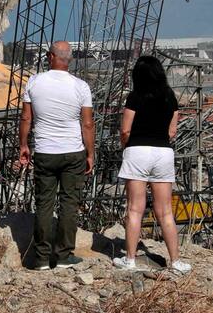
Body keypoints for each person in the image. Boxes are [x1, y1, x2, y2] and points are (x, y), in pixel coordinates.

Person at [18, 40, 94, 271]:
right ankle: (63, 255)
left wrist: (23, 145)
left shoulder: (34, 81)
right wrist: (90, 153)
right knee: (69, 204)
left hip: (45, 152)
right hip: (73, 152)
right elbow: (87, 124)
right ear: (69, 59)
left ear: (51, 57)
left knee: (44, 204)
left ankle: (41, 258)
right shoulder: (81, 86)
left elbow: (26, 118)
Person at [112, 56, 190, 274]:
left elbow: (125, 130)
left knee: (135, 209)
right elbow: (172, 131)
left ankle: (130, 259)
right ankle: (176, 262)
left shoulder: (135, 96)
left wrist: (127, 146)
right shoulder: (169, 96)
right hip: (163, 153)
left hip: (138, 151)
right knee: (165, 211)